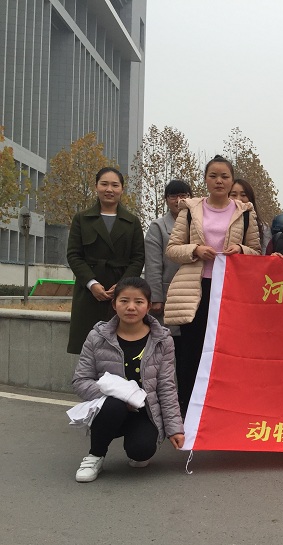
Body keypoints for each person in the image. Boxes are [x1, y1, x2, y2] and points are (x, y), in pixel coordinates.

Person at [164, 155, 261, 416]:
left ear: (232, 180)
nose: (219, 181)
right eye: (213, 176)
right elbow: (172, 249)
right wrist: (195, 249)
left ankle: (223, 409)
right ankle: (187, 410)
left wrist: (240, 249)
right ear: (205, 179)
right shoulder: (190, 209)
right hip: (195, 290)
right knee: (191, 351)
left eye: (224, 176)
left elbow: (256, 252)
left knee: (226, 351)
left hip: (229, 291)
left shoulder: (244, 212)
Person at [72, 277, 184, 483]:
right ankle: (95, 455)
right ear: (114, 304)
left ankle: (136, 443)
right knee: (113, 406)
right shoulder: (97, 337)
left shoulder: (162, 340)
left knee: (141, 452)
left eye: (138, 302)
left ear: (148, 306)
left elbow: (167, 387)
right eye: (124, 301)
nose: (131, 307)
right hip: (108, 409)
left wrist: (175, 428)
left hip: (144, 411)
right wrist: (120, 396)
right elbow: (81, 380)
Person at [66, 167, 146, 354]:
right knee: (89, 351)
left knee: (120, 349)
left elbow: (138, 258)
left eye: (115, 185)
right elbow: (74, 255)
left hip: (121, 294)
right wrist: (92, 283)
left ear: (122, 189)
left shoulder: (132, 221)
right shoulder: (82, 219)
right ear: (96, 186)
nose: (109, 189)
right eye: (104, 184)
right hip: (88, 293)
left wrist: (122, 287)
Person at [144, 179, 190, 390]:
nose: (179, 200)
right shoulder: (158, 227)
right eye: (173, 196)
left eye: (184, 195)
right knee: (166, 353)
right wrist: (155, 297)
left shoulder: (197, 223)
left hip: (193, 296)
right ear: (166, 199)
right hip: (168, 298)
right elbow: (153, 264)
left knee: (188, 354)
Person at [229, 178, 268, 254]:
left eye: (243, 195)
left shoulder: (263, 228)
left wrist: (241, 249)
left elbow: (261, 255)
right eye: (233, 195)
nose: (238, 199)